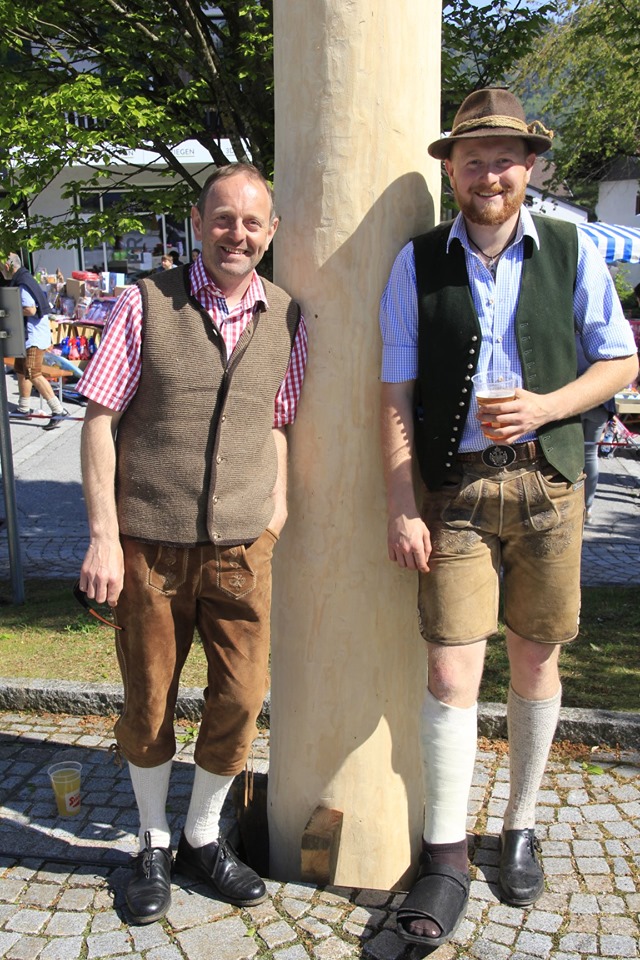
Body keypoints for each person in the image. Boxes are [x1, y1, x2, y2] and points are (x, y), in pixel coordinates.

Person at [379, 88, 638, 949]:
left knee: (535, 657)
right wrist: (401, 502)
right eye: (473, 160)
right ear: (450, 170)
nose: (488, 175)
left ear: (530, 167)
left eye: (504, 160)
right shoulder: (417, 262)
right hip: (453, 494)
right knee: (451, 671)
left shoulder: (572, 248)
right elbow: (395, 394)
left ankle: (520, 824)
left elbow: (621, 361)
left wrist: (546, 406)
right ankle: (446, 852)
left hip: (550, 486)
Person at [78, 162, 308, 925]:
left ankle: (202, 835)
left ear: (271, 231)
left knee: (240, 699)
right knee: (149, 701)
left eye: (252, 222)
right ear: (198, 222)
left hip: (243, 549)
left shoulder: (287, 315)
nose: (237, 234)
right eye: (223, 218)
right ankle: (152, 841)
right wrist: (103, 538)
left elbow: (278, 423)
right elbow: (99, 418)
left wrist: (275, 515)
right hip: (150, 546)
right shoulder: (146, 301)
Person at [2, 253, 69, 430]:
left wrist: (10, 309)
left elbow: (30, 309)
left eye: (1, 268)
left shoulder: (22, 283)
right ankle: (24, 408)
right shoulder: (24, 278)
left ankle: (58, 410)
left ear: (8, 266)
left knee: (33, 372)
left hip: (33, 336)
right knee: (21, 369)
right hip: (29, 335)